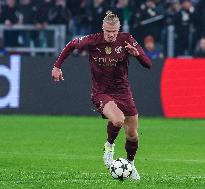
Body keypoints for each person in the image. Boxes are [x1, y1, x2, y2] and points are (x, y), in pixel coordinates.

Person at [51, 11, 152, 180]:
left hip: (123, 91)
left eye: (114, 32)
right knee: (118, 119)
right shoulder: (93, 40)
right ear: (103, 29)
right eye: (108, 32)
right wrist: (57, 66)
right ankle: (109, 146)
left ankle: (130, 164)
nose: (111, 35)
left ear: (118, 29)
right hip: (101, 92)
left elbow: (148, 64)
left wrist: (137, 55)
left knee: (132, 134)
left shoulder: (127, 39)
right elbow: (71, 45)